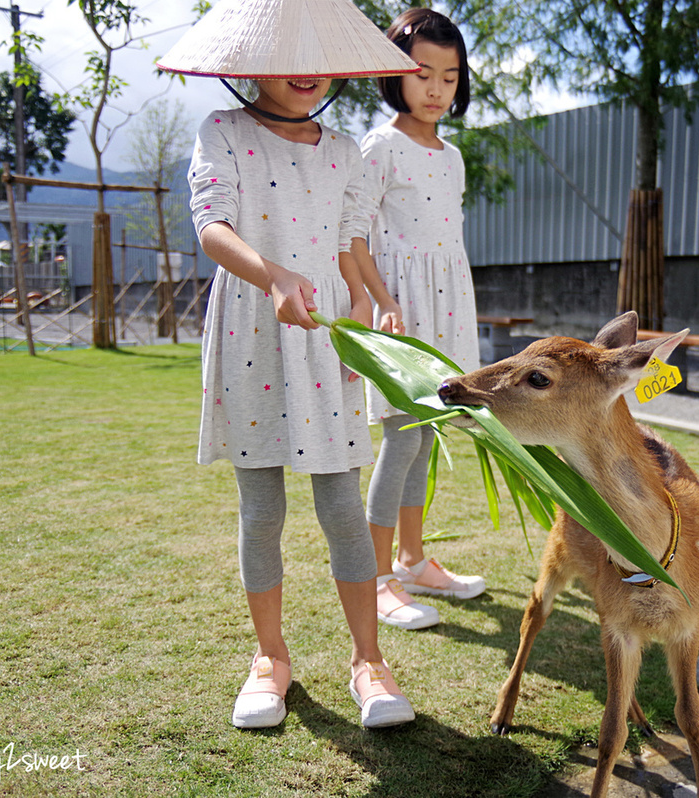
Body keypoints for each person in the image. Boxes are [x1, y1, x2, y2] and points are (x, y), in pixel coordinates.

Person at [156, 0, 421, 730]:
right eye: (284, 54)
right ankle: (270, 656)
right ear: (247, 64)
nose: (304, 72)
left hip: (321, 334)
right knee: (261, 508)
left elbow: (346, 244)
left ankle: (369, 660)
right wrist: (271, 275)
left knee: (341, 503)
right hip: (252, 329)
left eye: (317, 55)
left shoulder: (343, 151)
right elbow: (212, 225)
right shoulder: (224, 132)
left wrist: (361, 322)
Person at [356, 8, 485, 632]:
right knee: (402, 436)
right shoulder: (380, 147)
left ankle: (410, 558)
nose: (436, 88)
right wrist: (382, 299)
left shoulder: (453, 157)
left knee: (428, 434)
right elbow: (350, 233)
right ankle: (377, 578)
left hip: (446, 304)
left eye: (450, 76)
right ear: (395, 76)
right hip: (402, 308)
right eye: (421, 73)